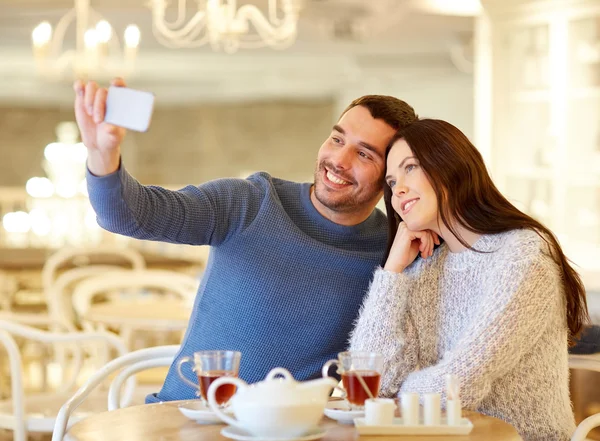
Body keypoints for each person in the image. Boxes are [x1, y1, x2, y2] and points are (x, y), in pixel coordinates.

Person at [73, 78, 418, 403]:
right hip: (186, 419)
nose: (338, 161)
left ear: (390, 177)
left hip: (290, 434)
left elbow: (396, 366)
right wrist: (102, 153)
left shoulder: (390, 255)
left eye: (364, 155)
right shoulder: (249, 202)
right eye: (337, 139)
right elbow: (131, 215)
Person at [349, 119, 589, 441]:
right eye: (391, 182)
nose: (398, 190)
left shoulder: (523, 255)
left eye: (411, 168)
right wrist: (392, 272)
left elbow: (458, 384)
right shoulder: (425, 266)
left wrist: (397, 395)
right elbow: (369, 381)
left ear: (450, 166)